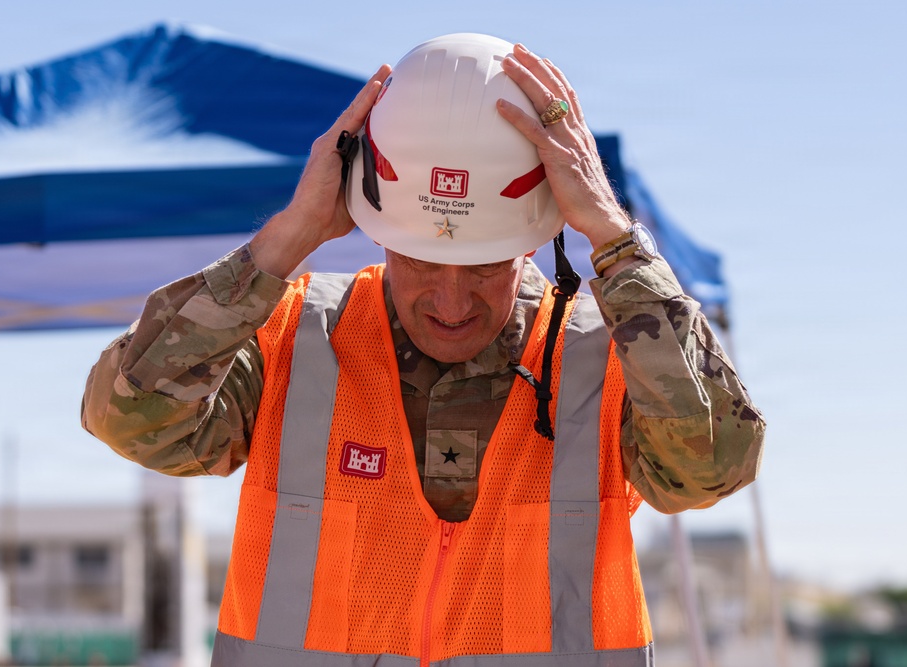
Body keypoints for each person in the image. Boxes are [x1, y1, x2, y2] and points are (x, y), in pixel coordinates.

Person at [82, 33, 764, 667]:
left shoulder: (603, 358)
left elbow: (713, 465)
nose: (451, 301)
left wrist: (616, 241)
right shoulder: (292, 337)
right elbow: (131, 415)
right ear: (376, 228)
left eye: (485, 266)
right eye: (420, 262)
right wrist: (286, 238)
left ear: (533, 239)